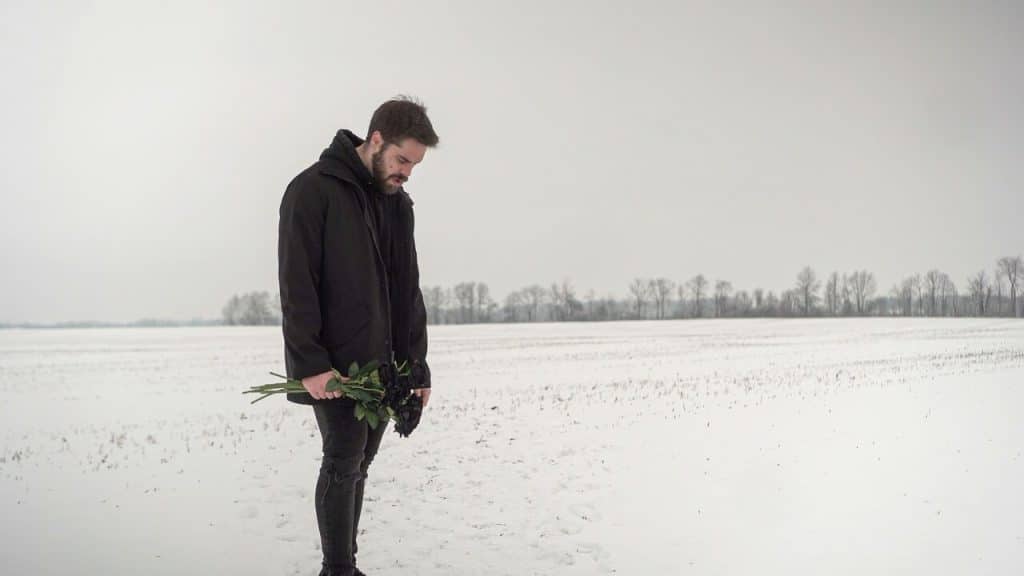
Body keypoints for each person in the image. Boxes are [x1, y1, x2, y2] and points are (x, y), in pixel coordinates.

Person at [277, 96, 438, 576]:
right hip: (335, 366)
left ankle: (344, 566)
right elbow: (296, 284)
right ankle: (338, 569)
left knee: (359, 466)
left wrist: (416, 367)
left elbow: (407, 289)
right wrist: (309, 363)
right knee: (343, 462)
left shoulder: (397, 205)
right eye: (402, 159)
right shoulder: (311, 191)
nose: (407, 172)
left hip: (383, 369)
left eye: (415, 164)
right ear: (375, 140)